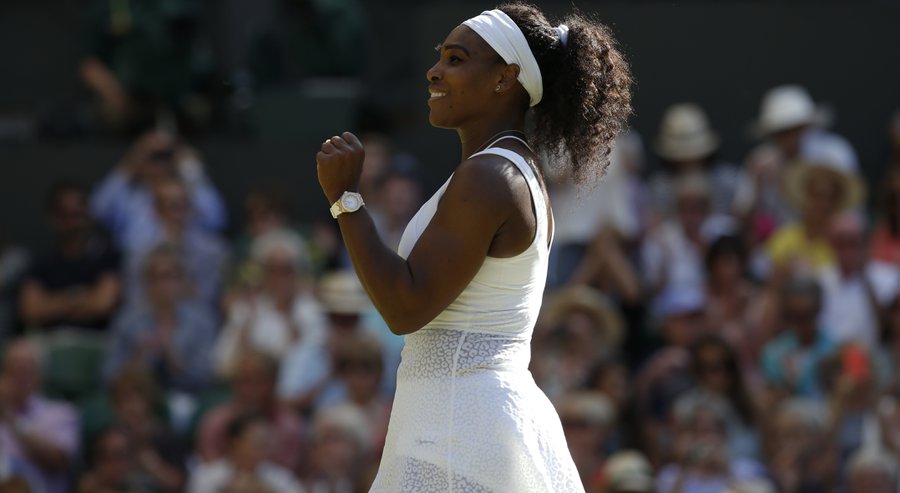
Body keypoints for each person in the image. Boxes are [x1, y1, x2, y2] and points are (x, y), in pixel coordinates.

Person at [314, 3, 631, 491]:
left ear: (505, 78)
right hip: (465, 424)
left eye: (456, 59)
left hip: (465, 426)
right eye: (440, 57)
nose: (434, 71)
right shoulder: (501, 169)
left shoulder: (489, 177)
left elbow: (405, 309)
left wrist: (346, 200)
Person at [19, 182, 121, 332]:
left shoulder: (107, 257)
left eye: (77, 214)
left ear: (88, 216)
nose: (72, 223)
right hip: (51, 343)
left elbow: (103, 304)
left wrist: (52, 305)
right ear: (52, 218)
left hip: (97, 342)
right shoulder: (41, 263)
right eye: (65, 215)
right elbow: (30, 310)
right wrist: (78, 297)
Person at [0, 339, 79, 493]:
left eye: (24, 371)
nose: (18, 379)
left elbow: (58, 460)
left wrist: (10, 419)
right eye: (13, 371)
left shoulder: (60, 413)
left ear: (39, 376)